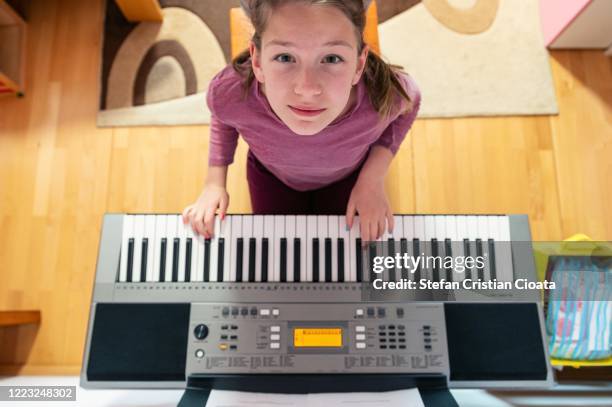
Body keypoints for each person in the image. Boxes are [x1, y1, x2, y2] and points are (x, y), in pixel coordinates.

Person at [183, 0, 420, 242]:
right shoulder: (230, 93)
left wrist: (372, 178)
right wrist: (214, 181)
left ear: (359, 65)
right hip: (272, 177)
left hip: (349, 177)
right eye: (285, 57)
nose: (307, 90)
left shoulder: (380, 94)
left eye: (331, 58)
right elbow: (224, 115)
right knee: (277, 245)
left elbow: (411, 103)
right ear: (257, 61)